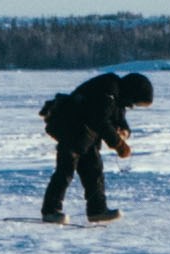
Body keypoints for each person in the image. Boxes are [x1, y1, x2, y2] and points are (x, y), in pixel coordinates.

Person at [39, 69, 153, 223]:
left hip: (87, 136)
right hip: (70, 130)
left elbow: (119, 117)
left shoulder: (117, 94)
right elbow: (100, 121)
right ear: (133, 92)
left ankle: (97, 210)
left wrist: (124, 131)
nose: (133, 105)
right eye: (136, 102)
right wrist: (119, 144)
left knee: (94, 172)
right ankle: (50, 211)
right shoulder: (108, 90)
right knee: (65, 172)